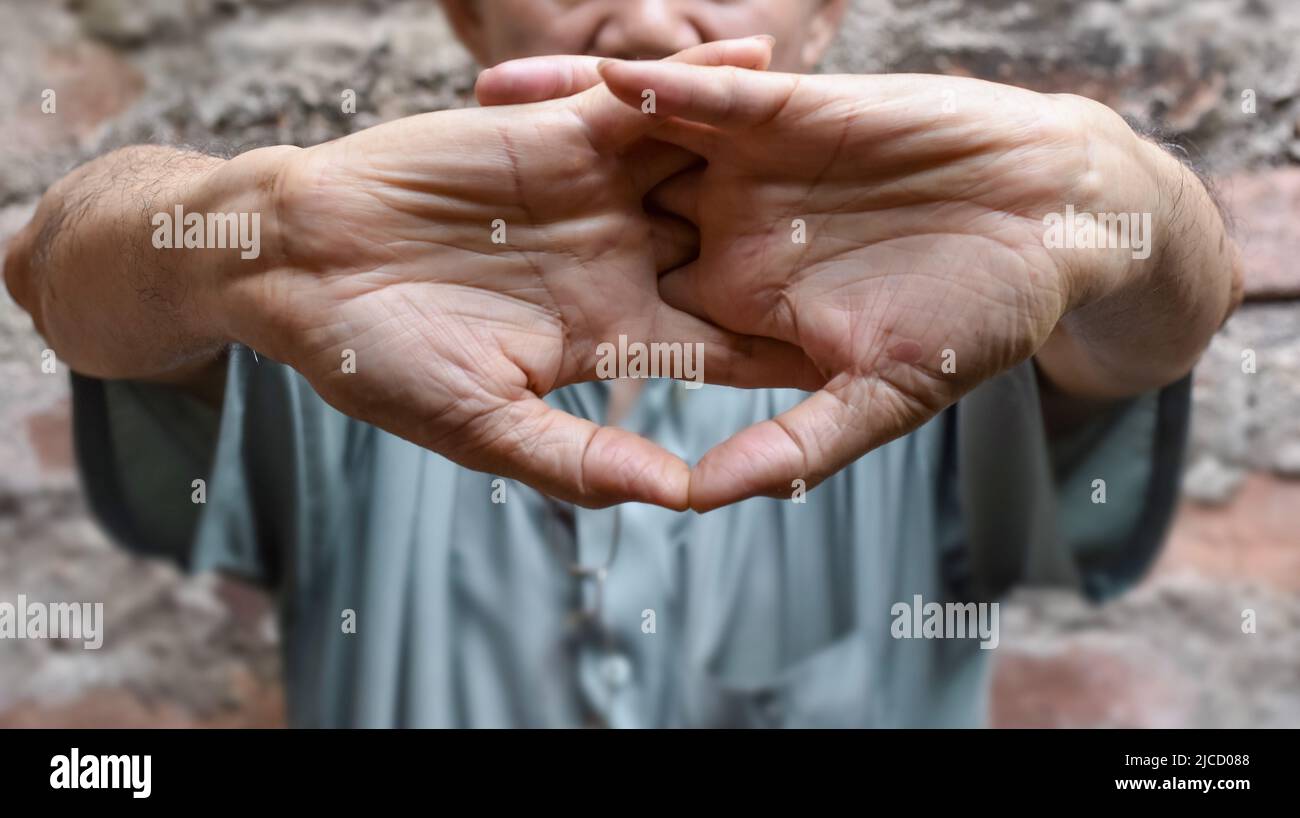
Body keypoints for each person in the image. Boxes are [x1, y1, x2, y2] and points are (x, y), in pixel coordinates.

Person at [2, 0, 1241, 727]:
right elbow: (58, 269)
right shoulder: (329, 327)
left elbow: (1157, 327)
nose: (648, 20)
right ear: (466, 16)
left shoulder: (964, 327)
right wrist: (253, 234)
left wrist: (1104, 189)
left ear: (826, 11)